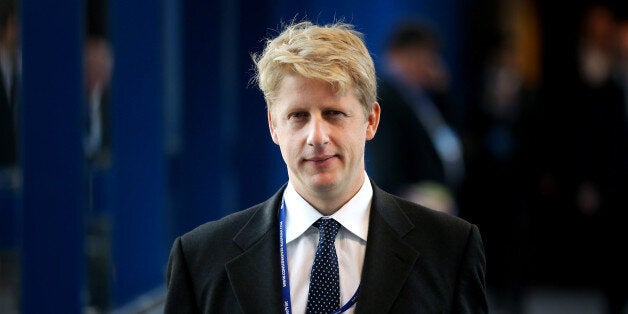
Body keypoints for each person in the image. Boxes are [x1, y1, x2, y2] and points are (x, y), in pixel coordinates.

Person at [165, 20, 487, 313]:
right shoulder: (201, 260)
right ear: (274, 126)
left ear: (371, 120)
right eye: (298, 116)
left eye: (334, 113)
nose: (316, 137)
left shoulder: (450, 250)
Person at [366, 21, 464, 215]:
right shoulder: (384, 97)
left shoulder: (421, 95)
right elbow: (386, 171)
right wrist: (416, 199)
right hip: (416, 209)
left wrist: (442, 92)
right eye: (426, 55)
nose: (431, 64)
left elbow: (452, 133)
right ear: (404, 55)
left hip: (441, 204)